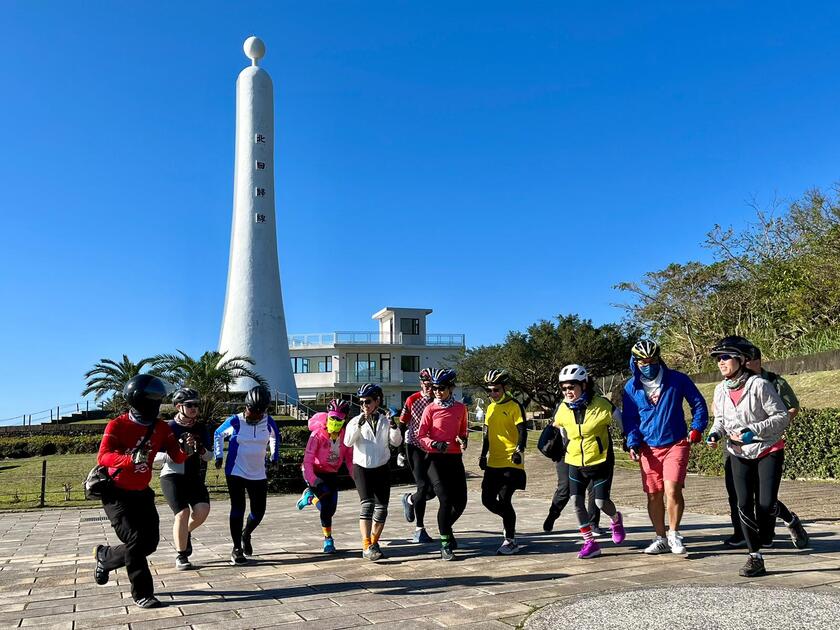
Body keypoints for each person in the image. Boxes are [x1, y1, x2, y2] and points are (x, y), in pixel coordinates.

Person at [93, 374, 193, 609]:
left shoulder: (160, 427)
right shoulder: (117, 425)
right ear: (144, 401)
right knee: (136, 541)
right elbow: (103, 456)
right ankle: (143, 593)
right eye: (156, 400)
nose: (159, 405)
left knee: (149, 544)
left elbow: (176, 455)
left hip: (142, 492)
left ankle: (105, 557)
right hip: (116, 494)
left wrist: (185, 449)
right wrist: (128, 459)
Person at [706, 337, 792, 577]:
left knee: (765, 504)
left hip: (768, 449)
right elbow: (721, 421)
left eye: (725, 357)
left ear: (741, 360)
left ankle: (790, 519)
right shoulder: (720, 389)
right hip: (738, 452)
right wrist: (714, 434)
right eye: (718, 359)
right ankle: (755, 557)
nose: (720, 363)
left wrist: (753, 431)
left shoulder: (760, 385)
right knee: (743, 503)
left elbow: (781, 417)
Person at [622, 339, 709, 555]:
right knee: (654, 494)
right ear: (635, 362)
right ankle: (660, 537)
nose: (648, 365)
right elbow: (630, 419)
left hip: (676, 442)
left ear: (659, 358)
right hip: (648, 447)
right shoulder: (631, 387)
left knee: (672, 489)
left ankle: (674, 533)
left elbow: (698, 403)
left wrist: (697, 427)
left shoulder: (677, 380)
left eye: (652, 360)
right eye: (643, 361)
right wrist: (632, 442)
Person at [552, 365, 625, 559]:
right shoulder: (562, 408)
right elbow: (561, 430)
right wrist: (564, 447)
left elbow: (619, 418)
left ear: (584, 385)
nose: (567, 391)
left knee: (601, 502)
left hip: (600, 461)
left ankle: (616, 519)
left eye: (571, 387)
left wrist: (628, 439)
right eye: (563, 388)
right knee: (576, 502)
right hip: (575, 462)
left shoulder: (601, 404)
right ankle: (590, 543)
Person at [213, 385, 280, 565]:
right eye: (251, 410)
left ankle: (246, 533)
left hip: (258, 472)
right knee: (238, 508)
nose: (254, 414)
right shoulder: (235, 421)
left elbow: (275, 437)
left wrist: (274, 455)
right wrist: (218, 455)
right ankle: (236, 548)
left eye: (258, 411)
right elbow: (218, 433)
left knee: (259, 512)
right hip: (235, 470)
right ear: (246, 406)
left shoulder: (268, 421)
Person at [156, 387, 214, 570]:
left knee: (203, 510)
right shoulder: (166, 427)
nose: (194, 408)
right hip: (172, 475)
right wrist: (175, 453)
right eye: (190, 405)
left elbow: (209, 456)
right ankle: (181, 555)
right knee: (182, 513)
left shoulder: (201, 427)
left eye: (197, 405)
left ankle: (184, 532)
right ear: (178, 406)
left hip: (193, 476)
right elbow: (154, 457)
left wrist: (200, 448)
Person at [343, 383, 402, 561]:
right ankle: (365, 544)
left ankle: (373, 543)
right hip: (362, 467)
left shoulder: (385, 420)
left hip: (382, 468)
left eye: (368, 401)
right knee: (367, 505)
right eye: (361, 402)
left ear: (377, 401)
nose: (364, 406)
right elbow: (347, 442)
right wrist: (359, 425)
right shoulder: (355, 421)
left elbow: (396, 442)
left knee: (382, 509)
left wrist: (393, 425)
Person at [417, 368, 469, 561]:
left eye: (441, 388)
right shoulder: (430, 409)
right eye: (435, 388)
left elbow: (463, 431)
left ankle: (445, 527)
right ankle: (445, 544)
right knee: (445, 500)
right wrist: (435, 444)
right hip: (434, 459)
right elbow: (420, 436)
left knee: (461, 503)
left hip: (454, 458)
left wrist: (463, 440)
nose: (437, 391)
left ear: (451, 388)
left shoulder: (460, 408)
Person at [479, 369, 527, 555]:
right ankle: (509, 520)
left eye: (496, 390)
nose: (492, 394)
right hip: (494, 462)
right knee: (487, 500)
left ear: (505, 388)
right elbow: (486, 435)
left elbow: (523, 431)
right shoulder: (490, 408)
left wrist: (519, 450)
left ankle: (510, 539)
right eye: (489, 390)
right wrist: (483, 455)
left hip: (511, 461)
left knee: (505, 499)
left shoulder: (515, 406)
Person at [297, 399, 354, 553]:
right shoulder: (317, 435)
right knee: (326, 507)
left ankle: (310, 497)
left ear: (344, 419)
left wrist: (356, 477)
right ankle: (328, 540)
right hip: (315, 472)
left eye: (339, 419)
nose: (335, 422)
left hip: (332, 473)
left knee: (331, 509)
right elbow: (307, 461)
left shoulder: (345, 435)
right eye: (332, 418)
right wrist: (313, 481)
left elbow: (349, 459)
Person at [399, 368, 436, 543]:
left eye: (432, 385)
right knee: (422, 486)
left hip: (433, 448)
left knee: (433, 490)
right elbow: (402, 424)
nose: (429, 388)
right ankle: (420, 529)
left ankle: (410, 499)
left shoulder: (438, 400)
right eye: (426, 384)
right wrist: (399, 452)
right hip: (414, 446)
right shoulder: (412, 399)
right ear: (421, 383)